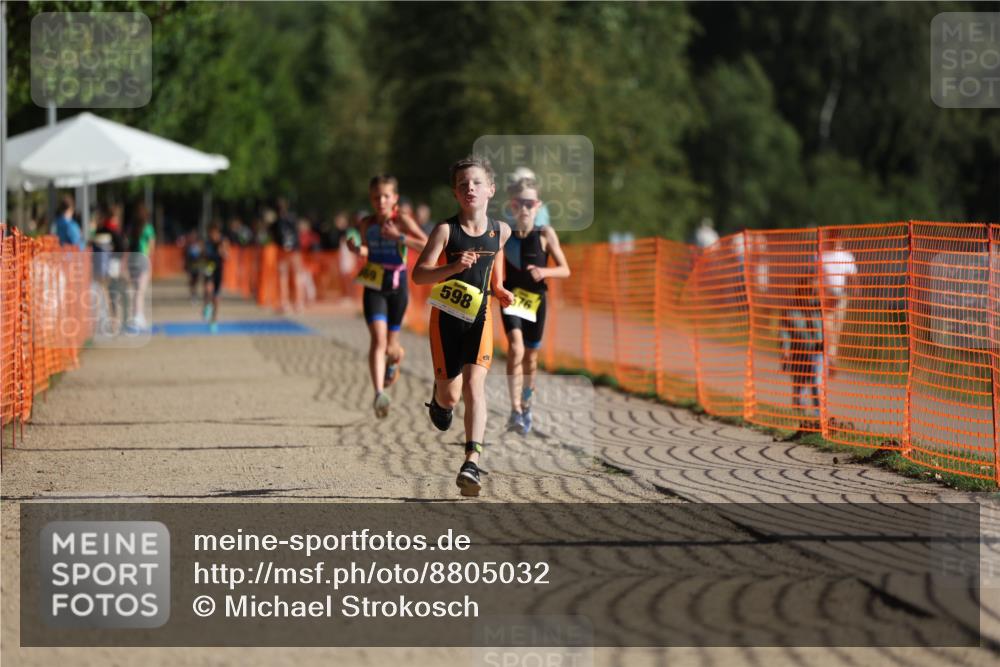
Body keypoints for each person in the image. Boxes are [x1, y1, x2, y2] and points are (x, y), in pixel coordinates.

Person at [413, 156, 514, 497]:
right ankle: (440, 401)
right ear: (455, 193)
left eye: (476, 183)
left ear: (491, 190)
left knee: (475, 385)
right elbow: (419, 274)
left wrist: (498, 287)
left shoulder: (501, 231)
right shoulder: (445, 231)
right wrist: (452, 268)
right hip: (446, 320)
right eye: (462, 185)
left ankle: (472, 460)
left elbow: (495, 256)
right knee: (452, 395)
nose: (469, 188)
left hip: (480, 318)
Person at [348, 175, 428, 419]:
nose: (380, 201)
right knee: (378, 340)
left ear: (394, 198)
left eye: (385, 196)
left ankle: (395, 359)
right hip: (373, 284)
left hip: (397, 286)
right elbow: (368, 249)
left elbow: (426, 244)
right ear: (371, 199)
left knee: (392, 347)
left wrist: (399, 238)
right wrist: (357, 249)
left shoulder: (401, 220)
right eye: (376, 197)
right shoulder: (366, 224)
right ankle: (379, 392)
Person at [500, 177, 570, 435]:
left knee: (531, 358)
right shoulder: (504, 233)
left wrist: (544, 271)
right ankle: (515, 409)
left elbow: (565, 269)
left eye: (530, 203)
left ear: (538, 205)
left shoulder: (545, 234)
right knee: (515, 349)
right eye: (519, 203)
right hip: (511, 299)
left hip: (536, 302)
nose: (525, 208)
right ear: (512, 205)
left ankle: (526, 404)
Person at [779, 280, 824, 428]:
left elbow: (827, 326)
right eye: (808, 291)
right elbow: (784, 332)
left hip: (817, 351)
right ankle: (800, 416)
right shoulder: (790, 310)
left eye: (813, 291)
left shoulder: (818, 307)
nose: (811, 294)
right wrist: (784, 351)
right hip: (799, 352)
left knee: (817, 383)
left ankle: (819, 416)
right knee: (800, 386)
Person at [819, 236, 857, 372]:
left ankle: (831, 359)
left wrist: (854, 291)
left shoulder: (847, 257)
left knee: (836, 329)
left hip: (841, 297)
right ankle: (828, 358)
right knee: (827, 328)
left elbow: (852, 276)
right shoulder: (824, 255)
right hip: (826, 297)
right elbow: (819, 275)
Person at [125, 202, 156, 332]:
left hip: (132, 259)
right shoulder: (148, 228)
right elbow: (151, 245)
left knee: (134, 289)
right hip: (142, 258)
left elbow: (126, 243)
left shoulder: (131, 228)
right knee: (141, 290)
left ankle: (135, 316)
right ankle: (138, 316)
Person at [202, 223, 230, 332]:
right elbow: (203, 254)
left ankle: (214, 320)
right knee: (208, 288)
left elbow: (227, 256)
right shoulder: (207, 242)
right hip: (209, 267)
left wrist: (222, 252)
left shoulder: (223, 241)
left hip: (219, 269)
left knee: (216, 298)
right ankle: (207, 305)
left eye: (215, 233)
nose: (213, 235)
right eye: (211, 233)